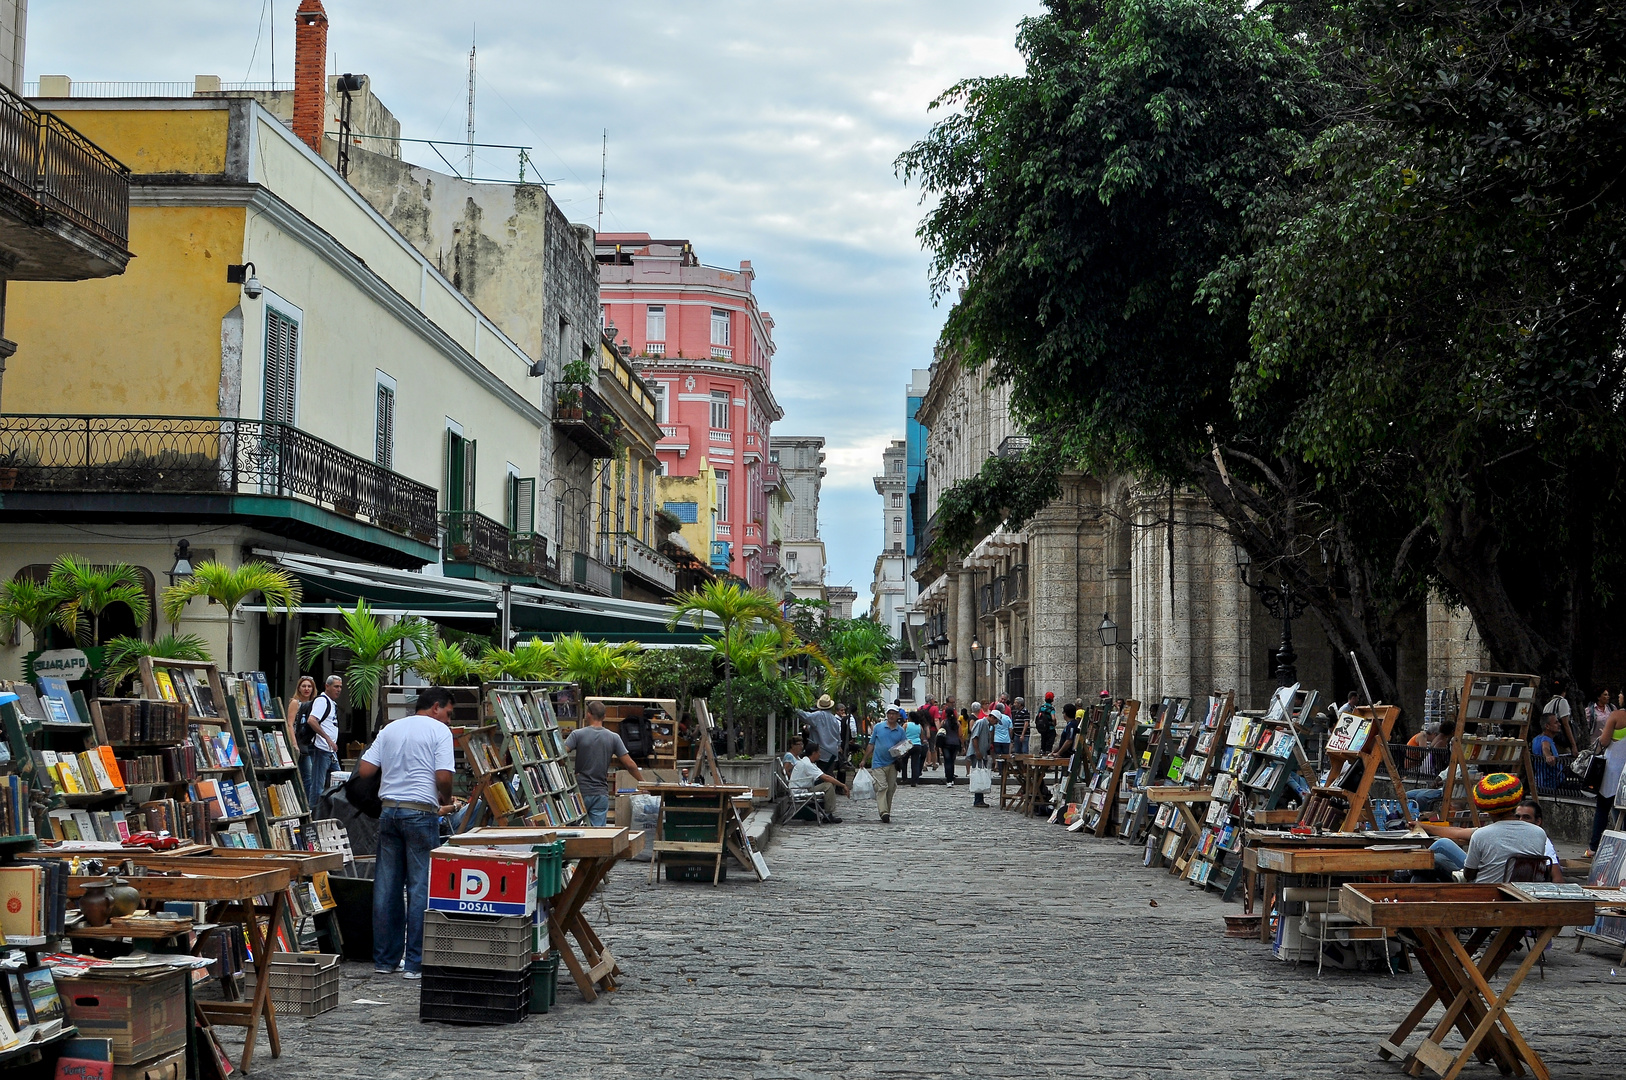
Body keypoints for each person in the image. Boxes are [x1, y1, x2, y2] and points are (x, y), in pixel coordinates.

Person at [358, 686, 457, 979]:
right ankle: (414, 963)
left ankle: (385, 960)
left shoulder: (391, 728)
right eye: (449, 714)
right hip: (420, 811)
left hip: (389, 810)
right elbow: (443, 775)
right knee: (419, 888)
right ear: (436, 707)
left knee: (387, 887)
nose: (449, 721)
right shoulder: (439, 733)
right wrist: (447, 798)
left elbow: (364, 770)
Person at [1425, 774, 1548, 882]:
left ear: (1487, 810)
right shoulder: (1539, 833)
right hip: (1522, 890)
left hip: (1487, 891)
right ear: (1516, 804)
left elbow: (1469, 875)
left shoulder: (1481, 835)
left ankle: (1407, 874)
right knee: (1439, 851)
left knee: (1436, 860)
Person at [565, 700, 645, 826]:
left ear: (588, 714)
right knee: (598, 835)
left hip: (581, 791)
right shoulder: (614, 738)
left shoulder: (577, 735)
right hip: (600, 793)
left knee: (573, 831)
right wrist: (643, 782)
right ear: (604, 717)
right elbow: (629, 764)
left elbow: (561, 755)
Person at [301, 674, 343, 811]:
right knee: (317, 784)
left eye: (340, 687)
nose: (339, 690)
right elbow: (312, 720)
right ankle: (314, 813)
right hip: (321, 748)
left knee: (340, 781)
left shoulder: (332, 703)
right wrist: (327, 738)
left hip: (330, 750)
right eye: (336, 686)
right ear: (327, 686)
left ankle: (333, 809)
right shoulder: (322, 701)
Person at [1588, 706, 1626, 855]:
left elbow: (1604, 742)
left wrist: (1604, 734)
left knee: (1603, 808)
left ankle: (1594, 847)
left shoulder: (1616, 716)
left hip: (1613, 769)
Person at [869, 708, 910, 823]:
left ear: (898, 715)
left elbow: (904, 746)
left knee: (890, 789)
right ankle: (883, 812)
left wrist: (901, 751)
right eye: (889, 713)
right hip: (878, 762)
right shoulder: (878, 727)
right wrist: (864, 759)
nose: (891, 716)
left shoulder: (900, 730)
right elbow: (871, 744)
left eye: (894, 714)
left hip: (892, 763)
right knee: (882, 787)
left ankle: (887, 810)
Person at [789, 744, 847, 822]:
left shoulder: (806, 762)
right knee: (828, 785)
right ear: (814, 753)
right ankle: (828, 814)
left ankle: (826, 809)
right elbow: (826, 777)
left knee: (826, 783)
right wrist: (843, 785)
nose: (820, 754)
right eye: (819, 752)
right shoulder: (807, 764)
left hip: (799, 788)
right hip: (800, 791)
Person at [797, 696, 845, 784]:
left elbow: (804, 716)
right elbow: (838, 738)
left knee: (819, 777)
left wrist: (795, 708)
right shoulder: (834, 719)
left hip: (820, 753)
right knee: (828, 776)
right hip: (832, 754)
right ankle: (829, 793)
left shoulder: (818, 716)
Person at [967, 705, 994, 807]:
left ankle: (980, 798)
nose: (995, 723)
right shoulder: (980, 722)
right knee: (978, 774)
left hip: (982, 753)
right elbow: (975, 737)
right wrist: (977, 751)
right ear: (992, 717)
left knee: (981, 774)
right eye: (995, 721)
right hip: (977, 753)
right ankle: (978, 799)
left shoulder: (986, 724)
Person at [1532, 713, 1563, 794]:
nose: (1559, 724)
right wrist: (1548, 756)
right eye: (1556, 722)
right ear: (1547, 726)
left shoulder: (1536, 739)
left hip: (1540, 782)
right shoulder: (1546, 739)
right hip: (1550, 784)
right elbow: (1545, 747)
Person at [1542, 680, 1575, 752]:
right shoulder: (1562, 702)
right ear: (1564, 692)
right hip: (1561, 741)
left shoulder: (1547, 705)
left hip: (1550, 739)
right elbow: (1565, 724)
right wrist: (1573, 745)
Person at [1580, 688, 1613, 753]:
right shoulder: (1590, 710)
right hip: (1595, 743)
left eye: (1608, 695)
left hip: (1610, 742)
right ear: (1599, 697)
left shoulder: (1611, 708)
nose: (1608, 697)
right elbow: (1586, 727)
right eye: (1605, 695)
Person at [936, 708, 962, 786]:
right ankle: (952, 778)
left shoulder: (944, 722)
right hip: (955, 743)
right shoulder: (957, 723)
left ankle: (949, 780)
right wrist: (962, 745)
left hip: (946, 744)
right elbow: (960, 734)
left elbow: (940, 733)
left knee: (947, 761)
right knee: (952, 761)